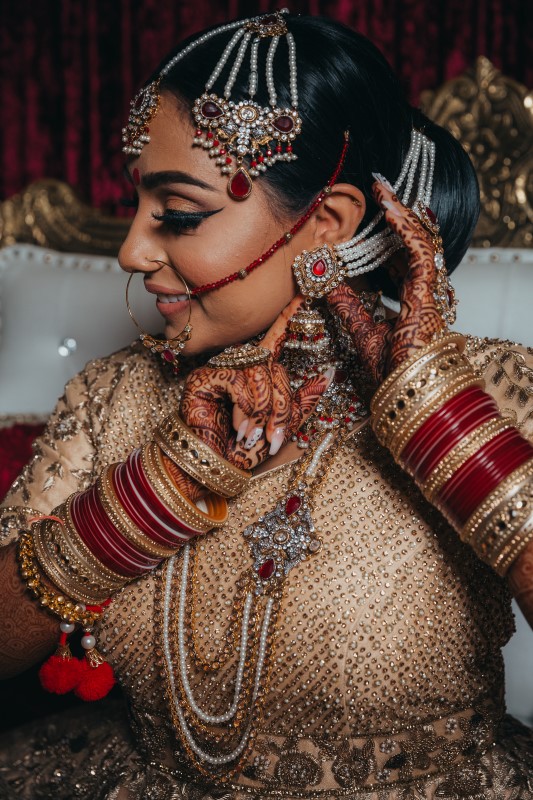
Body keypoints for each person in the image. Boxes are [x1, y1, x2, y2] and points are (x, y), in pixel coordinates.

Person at [0, 10, 532, 799]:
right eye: (138, 207)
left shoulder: (491, 388)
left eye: (179, 215)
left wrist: (440, 426)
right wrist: (155, 493)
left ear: (326, 223)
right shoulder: (115, 396)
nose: (133, 251)